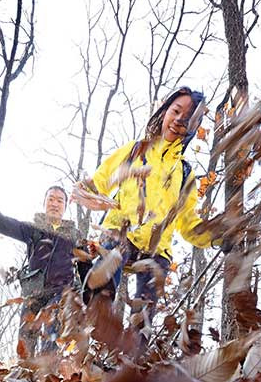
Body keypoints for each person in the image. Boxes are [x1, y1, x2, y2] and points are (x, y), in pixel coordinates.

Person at [77, 86, 213, 327]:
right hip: (121, 234)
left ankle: (132, 359)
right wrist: (84, 190)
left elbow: (188, 224)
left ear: (193, 127)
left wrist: (217, 237)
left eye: (187, 118)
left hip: (155, 250)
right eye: (176, 111)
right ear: (164, 111)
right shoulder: (135, 150)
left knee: (143, 322)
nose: (178, 121)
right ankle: (95, 323)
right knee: (104, 281)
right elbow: (100, 183)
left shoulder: (185, 174)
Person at [0, 172, 79, 356]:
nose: (54, 204)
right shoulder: (32, 229)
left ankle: (47, 381)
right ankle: (23, 381)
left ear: (65, 206)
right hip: (33, 293)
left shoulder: (74, 236)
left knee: (51, 339)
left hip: (60, 294)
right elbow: (1, 223)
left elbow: (88, 267)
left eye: (60, 201)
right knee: (25, 344)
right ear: (44, 203)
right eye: (51, 199)